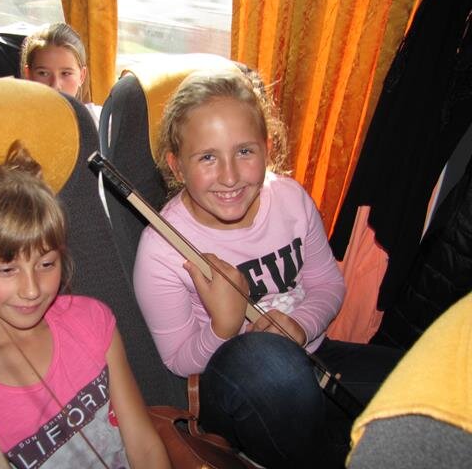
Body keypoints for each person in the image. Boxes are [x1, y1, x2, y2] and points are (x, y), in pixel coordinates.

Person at [133, 70, 403, 469]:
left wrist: (301, 326)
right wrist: (223, 327)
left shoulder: (290, 199)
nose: (229, 176)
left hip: (315, 356)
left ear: (267, 147)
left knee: (434, 380)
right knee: (268, 365)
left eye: (244, 151)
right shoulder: (161, 250)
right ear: (176, 167)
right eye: (207, 157)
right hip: (233, 384)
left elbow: (327, 283)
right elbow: (177, 360)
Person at [0, 141, 170, 468]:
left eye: (46, 264)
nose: (32, 290)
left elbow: (144, 447)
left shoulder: (92, 321)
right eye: (7, 270)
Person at [21, 23, 101, 126]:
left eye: (65, 73)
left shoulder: (100, 122)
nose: (55, 85)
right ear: (28, 74)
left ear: (82, 76)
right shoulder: (12, 122)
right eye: (43, 73)